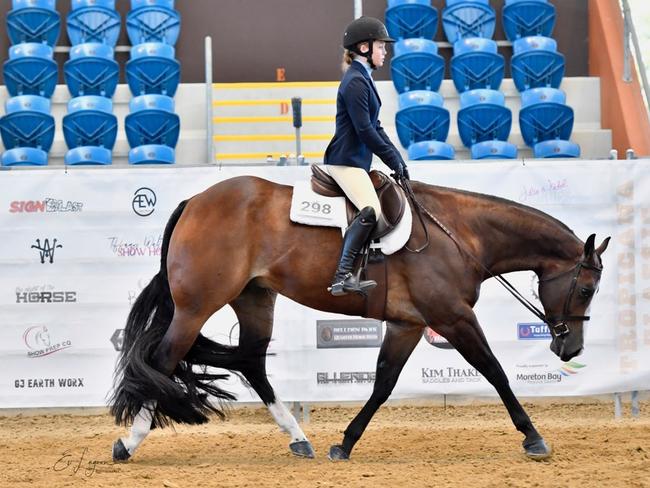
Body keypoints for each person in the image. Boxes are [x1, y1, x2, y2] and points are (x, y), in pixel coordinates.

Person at [324, 16, 409, 297]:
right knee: (370, 210)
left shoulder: (363, 79)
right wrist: (393, 160)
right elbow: (364, 131)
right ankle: (342, 275)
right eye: (381, 46)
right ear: (363, 48)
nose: (385, 51)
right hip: (345, 161)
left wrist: (397, 158)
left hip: (357, 161)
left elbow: (376, 128)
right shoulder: (355, 83)